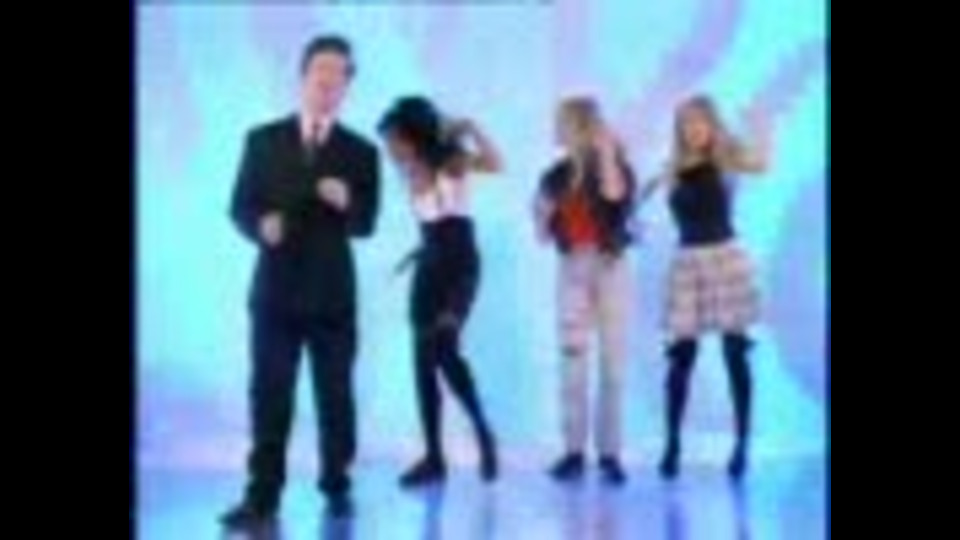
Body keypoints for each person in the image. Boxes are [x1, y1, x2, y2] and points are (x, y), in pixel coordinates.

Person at [221, 35, 380, 527]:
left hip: (332, 297)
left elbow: (367, 223)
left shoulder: (361, 151)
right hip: (275, 294)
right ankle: (261, 497)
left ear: (347, 85)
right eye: (320, 70)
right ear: (303, 76)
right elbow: (239, 206)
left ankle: (337, 484)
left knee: (335, 398)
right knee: (270, 397)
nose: (327, 80)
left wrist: (347, 202)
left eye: (338, 73)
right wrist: (259, 226)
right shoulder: (262, 140)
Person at [643, 95, 771, 480]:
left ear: (712, 125)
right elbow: (636, 203)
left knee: (735, 352)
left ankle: (741, 443)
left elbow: (762, 163)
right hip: (688, 262)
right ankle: (672, 444)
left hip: (724, 258)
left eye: (699, 121)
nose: (693, 129)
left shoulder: (725, 157)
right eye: (686, 123)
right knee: (681, 355)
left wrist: (762, 126)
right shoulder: (670, 168)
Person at [378, 96, 502, 488]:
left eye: (394, 140)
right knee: (422, 362)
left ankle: (483, 431)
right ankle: (434, 457)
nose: (390, 150)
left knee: (446, 350)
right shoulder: (408, 170)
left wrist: (471, 127)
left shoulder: (451, 161)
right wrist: (417, 252)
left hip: (459, 268)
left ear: (412, 136)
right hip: (428, 270)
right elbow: (432, 226)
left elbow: (496, 164)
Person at [534, 97, 637, 486]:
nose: (557, 129)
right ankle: (573, 451)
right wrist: (542, 215)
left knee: (612, 362)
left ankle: (610, 454)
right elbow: (542, 233)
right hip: (572, 266)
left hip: (610, 265)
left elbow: (613, 195)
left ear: (580, 126)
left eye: (563, 122)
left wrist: (607, 150)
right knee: (572, 360)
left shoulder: (614, 166)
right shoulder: (554, 176)